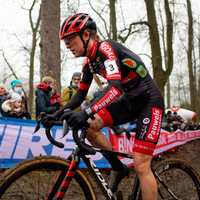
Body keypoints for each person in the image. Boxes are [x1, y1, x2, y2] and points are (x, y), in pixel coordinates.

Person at [44, 13, 164, 200]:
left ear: (85, 35)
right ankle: (117, 168)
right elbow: (80, 95)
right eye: (64, 42)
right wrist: (56, 115)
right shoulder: (89, 63)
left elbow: (115, 88)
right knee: (90, 128)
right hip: (129, 102)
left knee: (141, 164)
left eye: (69, 40)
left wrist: (87, 112)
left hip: (149, 102)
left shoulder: (106, 48)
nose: (67, 46)